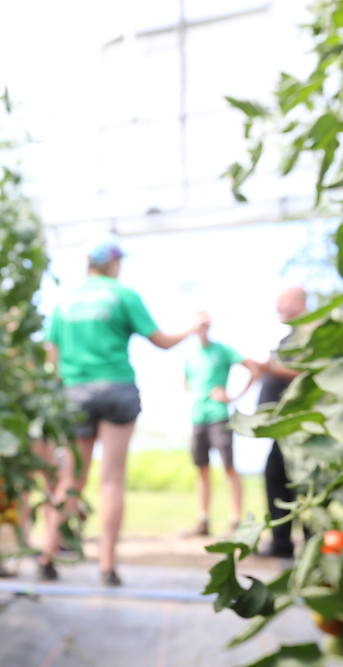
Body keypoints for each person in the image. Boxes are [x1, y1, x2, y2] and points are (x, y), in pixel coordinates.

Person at [42, 240, 206, 586]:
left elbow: (51, 356)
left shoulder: (64, 301)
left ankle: (46, 557)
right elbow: (160, 341)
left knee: (69, 479)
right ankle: (106, 566)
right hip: (116, 388)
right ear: (113, 264)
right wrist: (192, 329)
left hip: (74, 393)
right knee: (112, 480)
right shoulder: (123, 295)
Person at [182, 315, 261, 538]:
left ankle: (235, 520)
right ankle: (203, 521)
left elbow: (253, 369)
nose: (202, 328)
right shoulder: (191, 357)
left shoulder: (223, 351)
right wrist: (192, 399)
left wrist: (234, 397)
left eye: (205, 324)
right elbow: (185, 381)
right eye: (198, 324)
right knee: (202, 469)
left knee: (229, 467)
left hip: (219, 416)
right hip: (198, 417)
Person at [257, 287, 308, 558]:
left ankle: (312, 541)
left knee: (301, 481)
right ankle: (281, 543)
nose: (278, 306)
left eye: (283, 302)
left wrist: (269, 368)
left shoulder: (309, 334)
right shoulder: (288, 337)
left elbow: (306, 373)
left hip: (299, 425)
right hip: (282, 426)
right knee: (275, 477)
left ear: (300, 303)